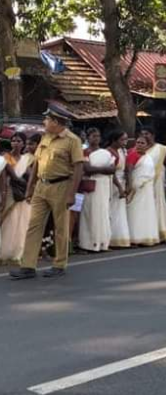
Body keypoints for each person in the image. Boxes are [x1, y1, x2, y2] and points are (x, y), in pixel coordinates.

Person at [10, 108, 85, 280]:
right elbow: (37, 163)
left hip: (61, 186)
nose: (44, 123)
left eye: (46, 120)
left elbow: (79, 167)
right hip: (41, 187)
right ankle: (28, 266)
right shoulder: (46, 137)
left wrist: (71, 194)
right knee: (34, 225)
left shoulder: (72, 140)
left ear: (56, 122)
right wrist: (30, 188)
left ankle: (59, 264)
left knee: (60, 227)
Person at [78, 128, 115, 252]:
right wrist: (104, 169)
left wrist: (97, 169)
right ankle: (89, 243)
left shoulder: (105, 153)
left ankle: (103, 243)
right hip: (91, 185)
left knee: (103, 212)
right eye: (93, 136)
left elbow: (112, 169)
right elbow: (87, 169)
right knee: (90, 212)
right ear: (88, 138)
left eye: (98, 136)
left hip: (103, 185)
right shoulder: (84, 152)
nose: (96, 138)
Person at [1, 133, 36, 264]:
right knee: (9, 221)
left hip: (24, 193)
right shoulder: (6, 157)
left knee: (23, 222)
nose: (15, 143)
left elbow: (31, 174)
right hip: (11, 192)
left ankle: (18, 252)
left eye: (19, 141)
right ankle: (5, 252)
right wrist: (29, 184)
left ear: (23, 143)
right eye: (13, 141)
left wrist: (30, 186)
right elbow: (14, 176)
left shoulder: (27, 159)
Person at [126, 135, 160, 247]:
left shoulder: (148, 157)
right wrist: (131, 185)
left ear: (147, 145)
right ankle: (134, 237)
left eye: (142, 143)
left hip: (147, 189)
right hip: (136, 188)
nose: (139, 145)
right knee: (135, 212)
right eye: (138, 142)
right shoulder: (132, 155)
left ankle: (146, 237)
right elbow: (129, 172)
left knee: (146, 212)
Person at [141, 127, 166, 242]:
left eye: (147, 133)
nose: (145, 136)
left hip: (158, 179)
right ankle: (147, 231)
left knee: (157, 203)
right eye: (142, 134)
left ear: (153, 135)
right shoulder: (139, 149)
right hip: (144, 180)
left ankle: (160, 231)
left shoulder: (162, 149)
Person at [106, 130, 131, 248]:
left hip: (122, 182)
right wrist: (120, 187)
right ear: (114, 140)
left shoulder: (123, 151)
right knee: (111, 211)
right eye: (122, 139)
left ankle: (120, 238)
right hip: (113, 184)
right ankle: (110, 238)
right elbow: (112, 173)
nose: (125, 142)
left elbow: (126, 169)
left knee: (120, 211)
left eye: (126, 139)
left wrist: (128, 183)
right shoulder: (109, 152)